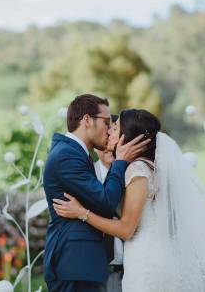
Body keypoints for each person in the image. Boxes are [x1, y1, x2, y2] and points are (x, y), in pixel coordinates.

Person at [53, 109, 205, 292]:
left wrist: (82, 213)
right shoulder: (139, 168)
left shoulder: (138, 170)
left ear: (128, 137)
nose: (108, 131)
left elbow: (126, 229)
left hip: (148, 260)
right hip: (142, 256)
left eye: (114, 128)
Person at [42, 94, 150, 292]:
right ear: (86, 120)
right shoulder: (67, 155)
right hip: (74, 265)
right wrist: (120, 161)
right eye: (106, 122)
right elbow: (106, 200)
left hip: (81, 266)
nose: (109, 130)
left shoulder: (75, 153)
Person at [93, 115, 124, 292]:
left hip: (133, 265)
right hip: (99, 269)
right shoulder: (86, 176)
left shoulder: (133, 174)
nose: (108, 146)